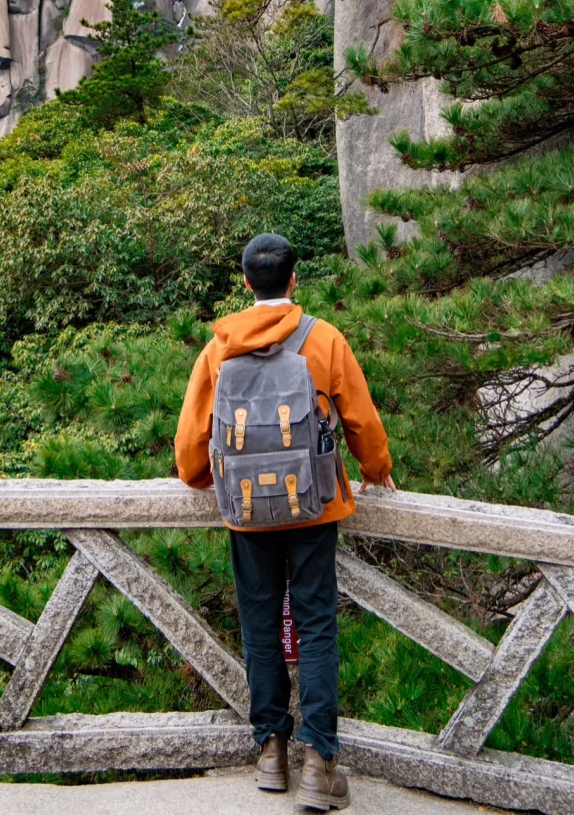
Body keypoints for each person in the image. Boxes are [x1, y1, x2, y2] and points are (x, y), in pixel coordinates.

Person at [175, 233, 396, 811]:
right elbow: (360, 420)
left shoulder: (218, 349)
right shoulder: (323, 339)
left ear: (246, 283)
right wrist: (378, 470)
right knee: (317, 626)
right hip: (314, 507)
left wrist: (207, 481)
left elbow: (190, 449)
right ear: (294, 281)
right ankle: (319, 764)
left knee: (261, 627)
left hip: (247, 515)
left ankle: (271, 751)